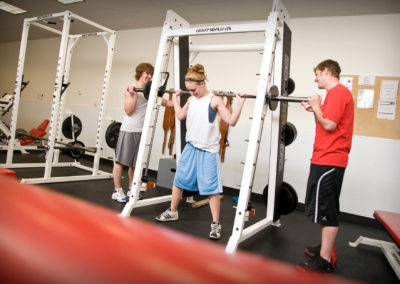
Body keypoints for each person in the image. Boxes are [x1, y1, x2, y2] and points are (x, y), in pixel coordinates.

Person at [155, 64, 246, 240]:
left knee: (211, 190)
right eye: (189, 90)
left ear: (202, 83)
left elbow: (231, 121)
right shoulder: (190, 99)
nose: (192, 93)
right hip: (191, 148)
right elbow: (180, 116)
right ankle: (173, 211)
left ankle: (215, 224)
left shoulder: (214, 100)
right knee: (179, 180)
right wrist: (175, 99)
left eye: (194, 89)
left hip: (208, 152)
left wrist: (241, 103)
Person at [297, 59, 354, 273]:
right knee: (323, 208)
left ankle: (325, 261)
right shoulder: (333, 95)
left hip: (330, 159)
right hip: (323, 157)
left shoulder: (339, 93)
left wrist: (317, 106)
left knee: (327, 210)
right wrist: (315, 110)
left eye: (318, 74)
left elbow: (329, 125)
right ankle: (326, 248)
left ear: (327, 71)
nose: (315, 78)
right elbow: (323, 123)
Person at [112, 63, 173, 203]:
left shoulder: (149, 91)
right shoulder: (130, 89)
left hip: (141, 132)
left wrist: (177, 98)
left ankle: (131, 189)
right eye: (147, 73)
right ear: (140, 72)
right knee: (120, 162)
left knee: (135, 164)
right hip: (129, 130)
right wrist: (134, 95)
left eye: (151, 74)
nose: (149, 76)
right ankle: (117, 191)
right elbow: (128, 111)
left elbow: (164, 102)